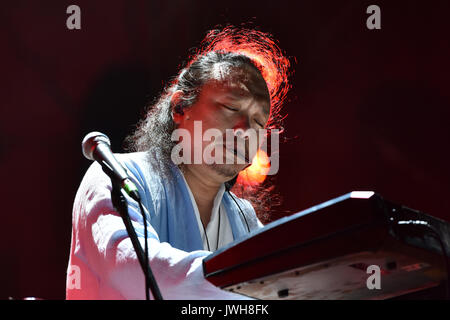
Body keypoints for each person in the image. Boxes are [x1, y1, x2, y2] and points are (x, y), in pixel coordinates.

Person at [66, 26, 291, 300]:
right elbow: (134, 270)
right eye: (231, 108)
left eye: (258, 123)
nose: (245, 130)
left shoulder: (244, 218)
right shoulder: (116, 177)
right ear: (180, 108)